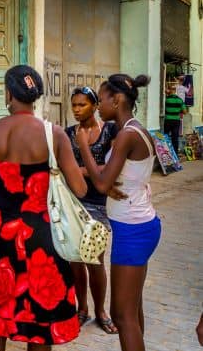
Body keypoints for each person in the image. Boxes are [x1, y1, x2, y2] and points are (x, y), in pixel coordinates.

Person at [0, 65, 88, 351]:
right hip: (43, 243)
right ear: (35, 97)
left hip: (1, 239)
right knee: (40, 327)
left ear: (9, 93)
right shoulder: (55, 135)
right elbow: (80, 190)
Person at [76, 74, 161, 351]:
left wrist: (84, 146)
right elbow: (112, 177)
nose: (98, 106)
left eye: (101, 100)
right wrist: (109, 183)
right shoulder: (134, 130)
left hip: (132, 230)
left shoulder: (126, 135)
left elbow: (101, 182)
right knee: (132, 309)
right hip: (139, 223)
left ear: (118, 99)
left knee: (122, 315)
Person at [64, 86, 119, 334]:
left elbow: (110, 169)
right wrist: (91, 170)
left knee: (95, 260)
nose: (77, 110)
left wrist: (82, 170)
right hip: (72, 201)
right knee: (75, 260)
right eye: (74, 105)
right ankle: (82, 308)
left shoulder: (110, 131)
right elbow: (64, 169)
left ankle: (100, 310)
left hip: (98, 204)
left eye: (82, 105)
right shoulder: (67, 134)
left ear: (95, 106)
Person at [163, 84, 187, 153]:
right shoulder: (180, 100)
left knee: (165, 136)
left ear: (169, 90)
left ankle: (166, 152)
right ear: (175, 91)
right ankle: (175, 153)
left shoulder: (166, 100)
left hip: (167, 120)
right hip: (176, 120)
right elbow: (185, 112)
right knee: (175, 137)